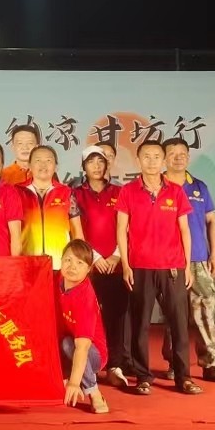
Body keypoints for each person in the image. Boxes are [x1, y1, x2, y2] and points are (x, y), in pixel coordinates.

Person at [111, 139, 202, 396]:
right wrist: (126, 265)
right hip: (140, 267)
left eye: (156, 157)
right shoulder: (128, 191)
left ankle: (184, 377)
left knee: (179, 324)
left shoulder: (175, 191)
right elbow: (121, 230)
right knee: (140, 324)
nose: (151, 161)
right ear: (138, 160)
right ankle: (143, 377)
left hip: (172, 267)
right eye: (146, 157)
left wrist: (187, 266)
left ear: (163, 161)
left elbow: (185, 230)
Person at [158, 137, 215, 383]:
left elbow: (211, 221)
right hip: (170, 261)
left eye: (183, 153)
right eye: (172, 153)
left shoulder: (199, 187)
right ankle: (175, 363)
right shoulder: (157, 186)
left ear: (188, 157)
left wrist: (214, 254)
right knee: (174, 314)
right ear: (164, 158)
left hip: (199, 260)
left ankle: (211, 364)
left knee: (205, 312)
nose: (178, 157)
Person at [72, 146, 127, 376]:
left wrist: (116, 255)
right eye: (91, 162)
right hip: (89, 267)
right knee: (90, 317)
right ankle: (92, 364)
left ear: (107, 165)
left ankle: (116, 363)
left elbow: (127, 227)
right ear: (83, 167)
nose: (96, 166)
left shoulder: (120, 192)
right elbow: (75, 231)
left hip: (116, 265)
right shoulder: (75, 194)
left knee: (117, 316)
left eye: (100, 161)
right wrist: (94, 257)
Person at [57, 239, 110, 414]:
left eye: (80, 263)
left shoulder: (85, 298)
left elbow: (82, 348)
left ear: (89, 269)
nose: (72, 266)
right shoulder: (58, 279)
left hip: (93, 354)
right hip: (66, 346)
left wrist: (73, 383)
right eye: (68, 260)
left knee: (69, 344)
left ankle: (94, 392)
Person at [16, 145, 82, 270]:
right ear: (29, 165)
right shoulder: (17, 192)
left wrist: (79, 263)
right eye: (38, 160)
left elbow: (77, 232)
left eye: (48, 160)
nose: (43, 165)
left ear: (56, 166)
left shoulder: (66, 192)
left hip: (60, 265)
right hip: (26, 264)